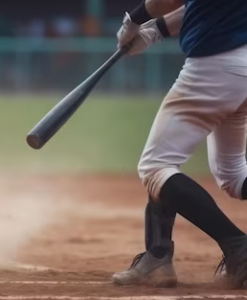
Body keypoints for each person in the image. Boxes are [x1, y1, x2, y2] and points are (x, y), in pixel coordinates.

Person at [112, 0, 247, 288]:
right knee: (234, 176)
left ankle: (237, 246)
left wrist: (134, 20)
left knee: (156, 166)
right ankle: (156, 259)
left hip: (216, 64)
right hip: (240, 68)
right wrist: (156, 30)